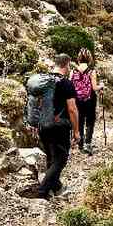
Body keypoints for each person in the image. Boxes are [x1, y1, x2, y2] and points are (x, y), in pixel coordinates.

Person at [34, 53, 80, 199]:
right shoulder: (66, 83)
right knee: (60, 159)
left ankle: (55, 187)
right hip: (59, 126)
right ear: (67, 64)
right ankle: (42, 191)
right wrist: (76, 131)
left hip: (43, 124)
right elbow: (72, 109)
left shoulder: (43, 81)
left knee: (51, 158)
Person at [71, 47, 99, 154]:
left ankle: (80, 144)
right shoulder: (91, 71)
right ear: (89, 59)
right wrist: (101, 86)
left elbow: (70, 85)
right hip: (90, 99)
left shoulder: (73, 71)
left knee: (80, 121)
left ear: (79, 58)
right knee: (90, 121)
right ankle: (88, 143)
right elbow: (94, 88)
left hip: (77, 100)